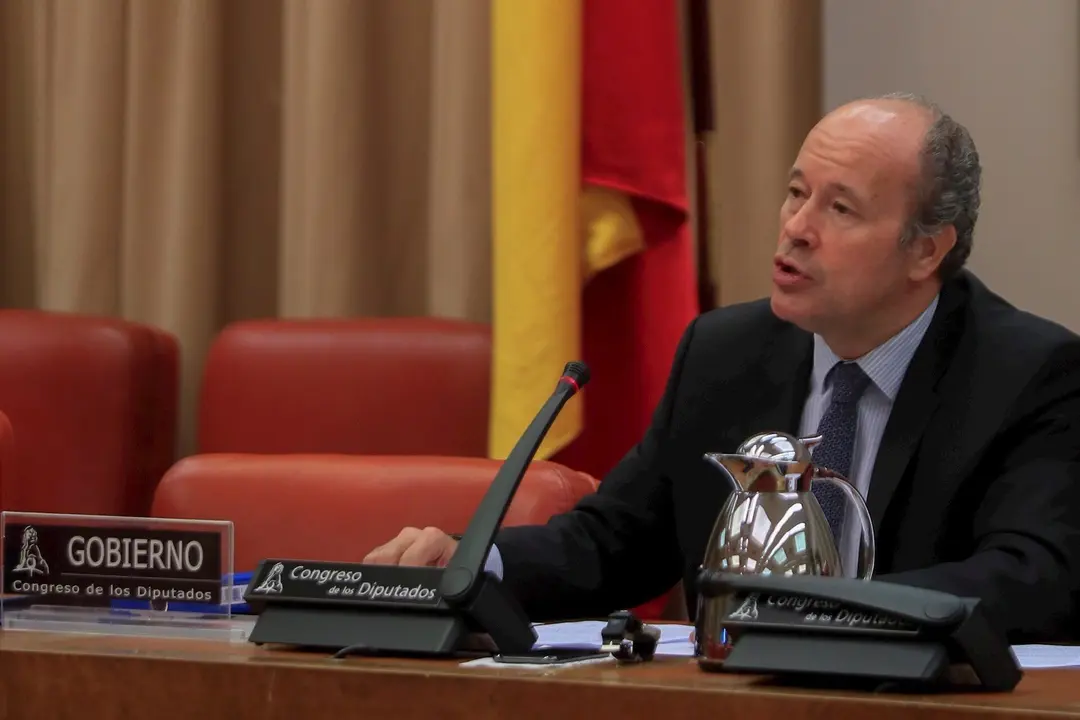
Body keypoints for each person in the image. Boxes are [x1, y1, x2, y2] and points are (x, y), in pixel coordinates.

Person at [364, 93, 1080, 643]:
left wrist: (826, 615)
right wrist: (469, 563)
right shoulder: (725, 352)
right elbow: (614, 543)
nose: (796, 227)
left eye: (840, 208)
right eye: (797, 192)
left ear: (928, 251)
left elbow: (1030, 577)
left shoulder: (1028, 373)